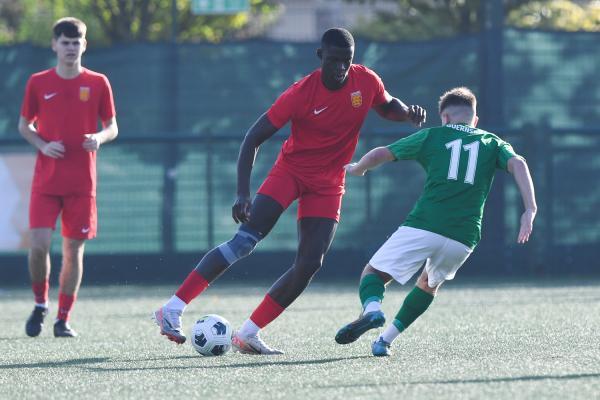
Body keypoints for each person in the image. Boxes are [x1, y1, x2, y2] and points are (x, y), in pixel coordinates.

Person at [153, 27, 426, 354]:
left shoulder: (365, 80)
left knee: (310, 263)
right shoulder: (300, 94)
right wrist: (243, 193)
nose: (340, 67)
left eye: (346, 61)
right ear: (320, 56)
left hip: (329, 183)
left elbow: (385, 104)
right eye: (334, 60)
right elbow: (252, 138)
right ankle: (172, 308)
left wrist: (407, 113)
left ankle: (248, 334)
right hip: (291, 173)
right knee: (244, 242)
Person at [334, 87, 537, 356]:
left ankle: (372, 311)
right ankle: (384, 341)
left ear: (445, 117)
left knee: (373, 273)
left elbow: (382, 153)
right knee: (428, 285)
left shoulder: (434, 135)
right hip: (463, 237)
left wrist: (358, 167)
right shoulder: (492, 142)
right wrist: (530, 209)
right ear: (474, 120)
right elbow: (519, 164)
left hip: (424, 225)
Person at [19, 17, 118, 338]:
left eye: (76, 42)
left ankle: (63, 318)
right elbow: (25, 126)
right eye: (65, 42)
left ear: (84, 45)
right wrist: (43, 145)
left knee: (74, 251)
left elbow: (112, 126)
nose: (71, 48)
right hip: (46, 183)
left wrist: (99, 138)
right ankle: (39, 304)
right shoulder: (38, 82)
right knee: (38, 246)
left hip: (82, 184)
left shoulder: (98, 82)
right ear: (54, 45)